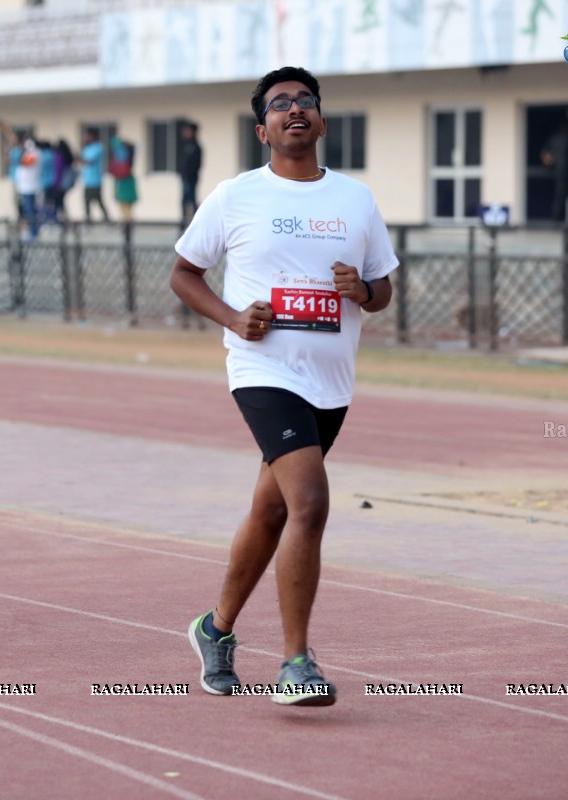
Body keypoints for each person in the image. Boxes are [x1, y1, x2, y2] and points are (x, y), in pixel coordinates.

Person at [170, 67, 397, 706]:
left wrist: (365, 291)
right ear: (262, 130)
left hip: (332, 382)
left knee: (272, 509)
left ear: (321, 120)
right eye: (279, 104)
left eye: (304, 101)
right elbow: (183, 274)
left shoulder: (356, 199)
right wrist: (234, 319)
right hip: (263, 372)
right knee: (311, 503)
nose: (293, 110)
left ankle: (214, 630)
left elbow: (383, 289)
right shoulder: (235, 196)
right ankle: (296, 662)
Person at [14, 137, 42, 241]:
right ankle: (31, 231)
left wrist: (21, 154)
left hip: (31, 188)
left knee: (31, 212)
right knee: (26, 211)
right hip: (24, 187)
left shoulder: (35, 154)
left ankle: (33, 232)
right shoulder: (27, 154)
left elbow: (25, 163)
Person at [80, 128, 109, 225]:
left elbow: (88, 161)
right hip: (87, 180)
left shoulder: (99, 147)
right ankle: (88, 221)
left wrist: (79, 159)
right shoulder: (87, 148)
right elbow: (82, 159)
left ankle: (107, 220)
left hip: (95, 180)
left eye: (89, 136)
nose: (87, 138)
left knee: (98, 201)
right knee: (86, 201)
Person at [177, 121, 203, 229]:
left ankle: (196, 224)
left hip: (191, 178)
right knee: (184, 201)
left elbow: (196, 165)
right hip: (185, 178)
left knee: (191, 201)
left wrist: (189, 174)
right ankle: (183, 225)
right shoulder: (185, 145)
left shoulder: (195, 147)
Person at [109, 136, 138, 222]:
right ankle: (128, 223)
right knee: (127, 207)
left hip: (123, 181)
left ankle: (128, 225)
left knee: (124, 206)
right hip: (126, 181)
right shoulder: (129, 152)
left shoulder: (122, 154)